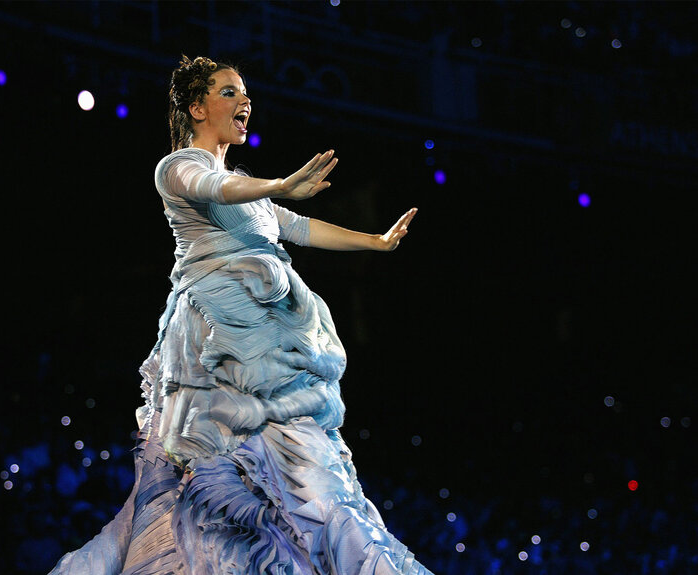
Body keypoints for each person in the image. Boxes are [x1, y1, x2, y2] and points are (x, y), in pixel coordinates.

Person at [48, 55, 433, 575]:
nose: (244, 101)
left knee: (300, 465)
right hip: (217, 335)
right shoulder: (178, 167)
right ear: (197, 107)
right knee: (225, 468)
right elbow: (216, 188)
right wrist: (277, 185)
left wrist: (376, 241)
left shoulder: (246, 187)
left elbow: (298, 227)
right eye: (229, 92)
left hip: (270, 331)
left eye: (245, 92)